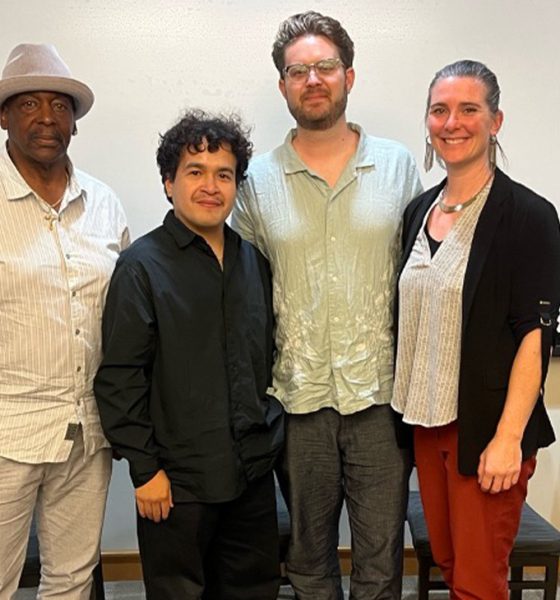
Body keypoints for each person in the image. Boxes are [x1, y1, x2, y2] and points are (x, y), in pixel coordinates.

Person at [232, 11, 422, 600]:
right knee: (308, 559)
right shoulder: (256, 180)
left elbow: (420, 278)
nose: (312, 79)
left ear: (349, 76)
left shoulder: (396, 166)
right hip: (297, 398)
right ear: (284, 84)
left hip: (381, 399)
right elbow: (241, 290)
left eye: (325, 67)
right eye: (298, 71)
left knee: (379, 558)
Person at [94, 110, 284, 600]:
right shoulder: (140, 268)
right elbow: (119, 378)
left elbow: (266, 358)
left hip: (250, 476)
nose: (210, 186)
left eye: (224, 174)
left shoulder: (253, 261)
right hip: (175, 485)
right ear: (168, 183)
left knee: (254, 591)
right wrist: (144, 469)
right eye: (195, 172)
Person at [392, 59, 560, 599]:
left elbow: (535, 332)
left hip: (486, 428)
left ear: (496, 120)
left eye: (469, 109)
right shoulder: (418, 210)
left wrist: (509, 439)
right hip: (426, 422)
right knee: (448, 561)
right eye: (440, 110)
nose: (453, 122)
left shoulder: (528, 215)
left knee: (479, 581)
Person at [0, 43, 129, 599]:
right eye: (28, 104)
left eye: (60, 105)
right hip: (7, 432)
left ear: (75, 123)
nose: (46, 118)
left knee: (71, 580)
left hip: (87, 430)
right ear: (3, 116)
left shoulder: (103, 203)